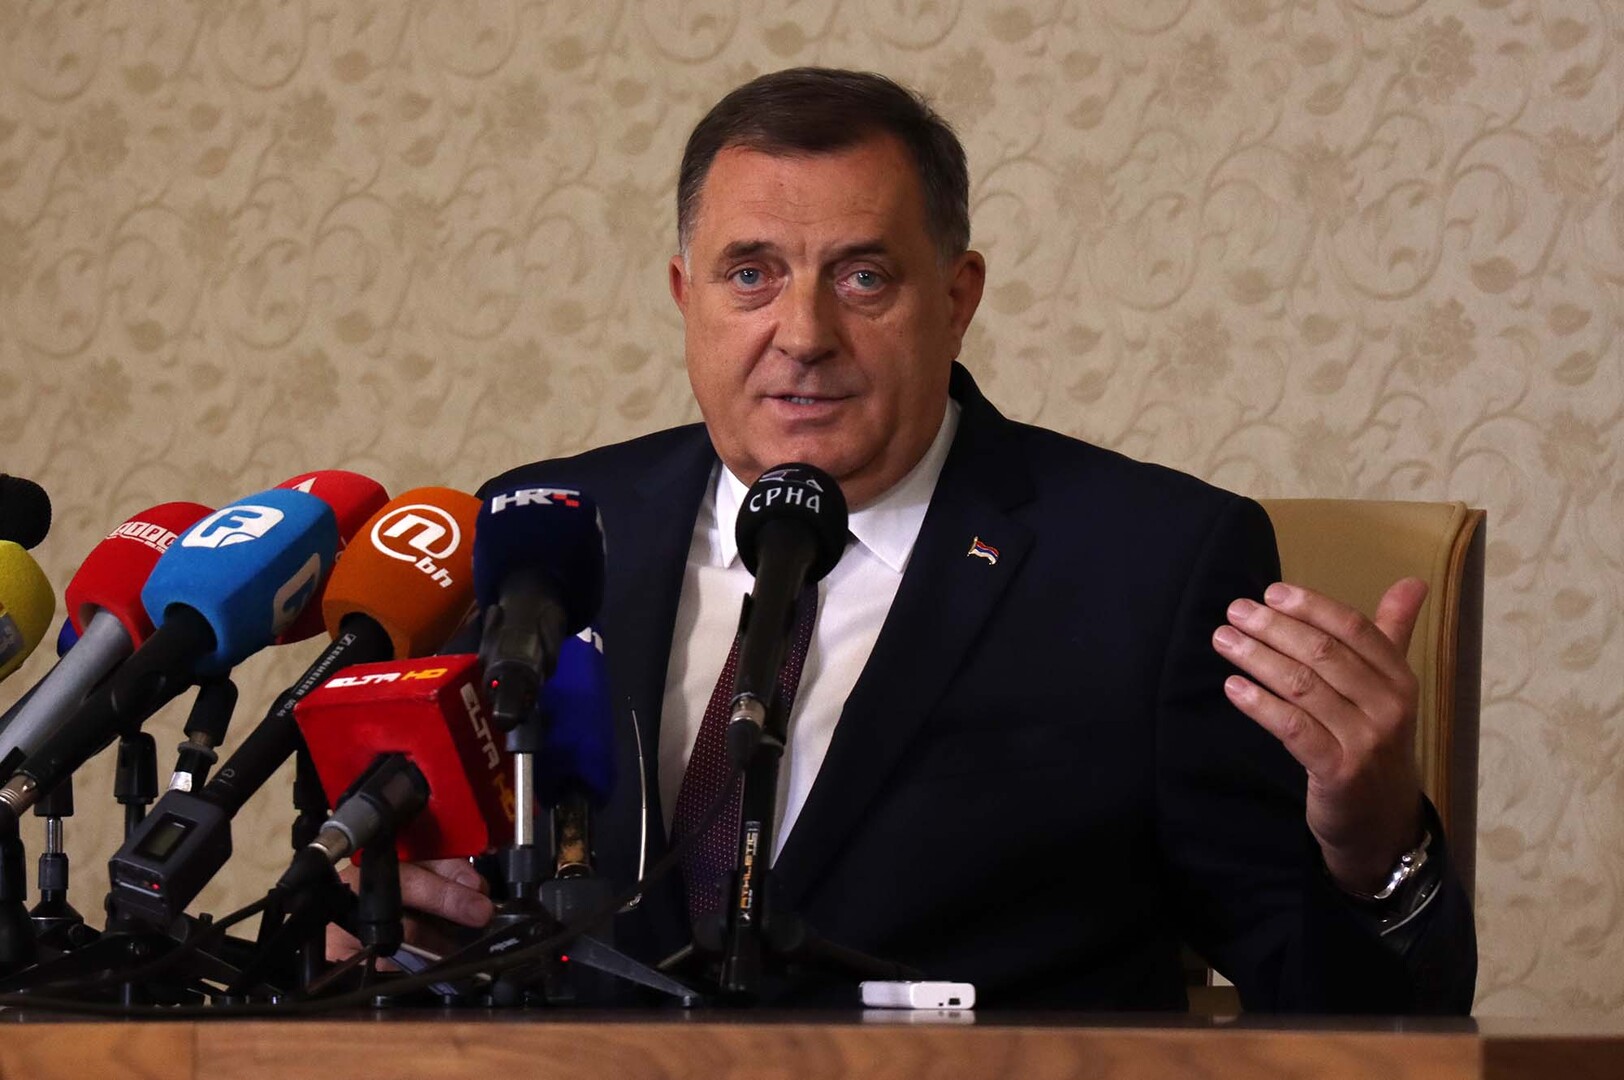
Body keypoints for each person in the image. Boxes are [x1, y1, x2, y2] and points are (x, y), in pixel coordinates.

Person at [334, 67, 1475, 1011]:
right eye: (751, 275)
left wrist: (1376, 848)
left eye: (864, 276)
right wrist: (379, 932)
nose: (803, 333)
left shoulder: (1150, 565)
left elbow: (1350, 1012)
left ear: (957, 296)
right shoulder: (548, 530)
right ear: (685, 295)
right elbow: (447, 924)